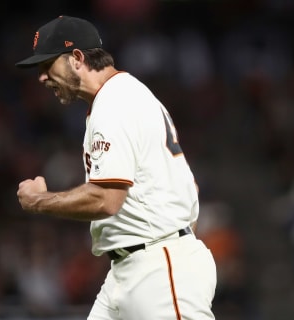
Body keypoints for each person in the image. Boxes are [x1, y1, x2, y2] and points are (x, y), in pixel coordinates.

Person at [15, 15, 216, 320]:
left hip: (158, 270)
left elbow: (107, 199)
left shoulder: (115, 103)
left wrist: (39, 201)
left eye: (47, 65)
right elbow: (188, 185)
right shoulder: (122, 95)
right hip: (136, 266)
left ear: (77, 59)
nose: (42, 77)